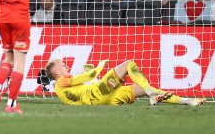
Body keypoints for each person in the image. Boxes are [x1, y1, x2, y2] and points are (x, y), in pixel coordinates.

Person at [44, 58, 205, 107]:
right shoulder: (62, 81)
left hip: (104, 99)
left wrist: (91, 76)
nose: (66, 67)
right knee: (129, 64)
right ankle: (151, 94)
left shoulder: (62, 90)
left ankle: (187, 101)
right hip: (99, 94)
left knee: (139, 87)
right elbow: (89, 78)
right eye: (63, 67)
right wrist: (98, 68)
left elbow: (85, 91)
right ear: (57, 73)